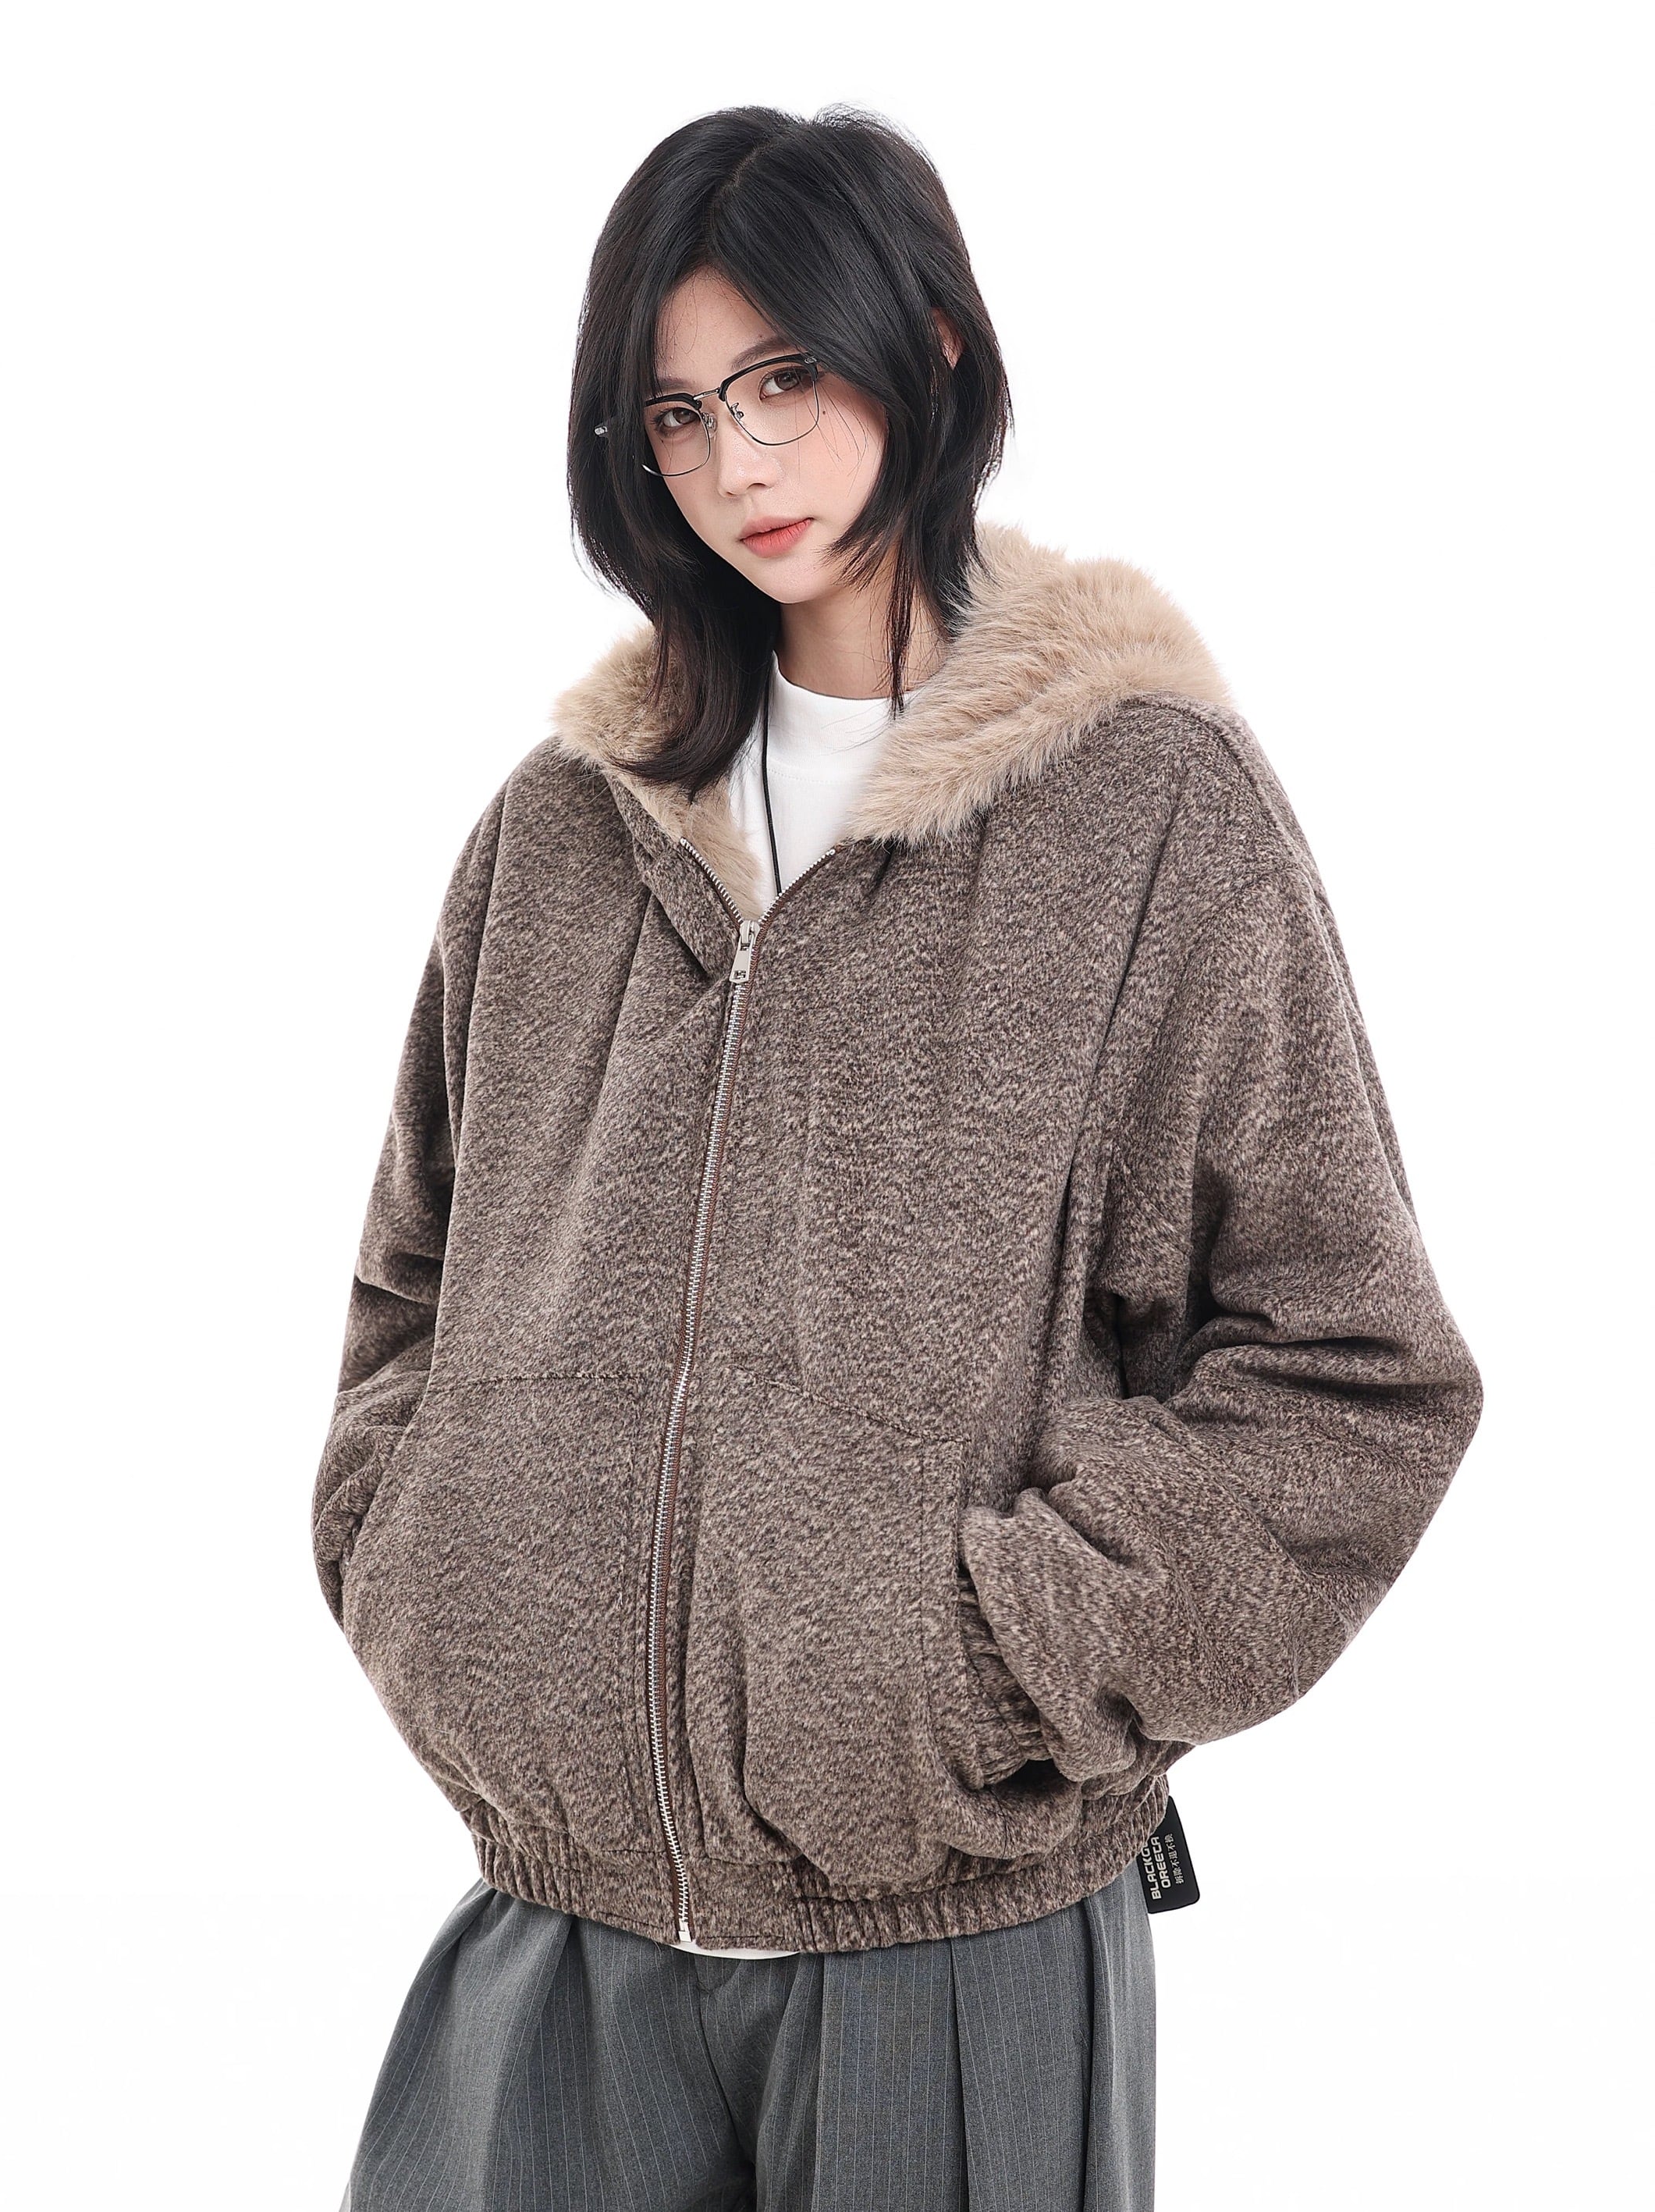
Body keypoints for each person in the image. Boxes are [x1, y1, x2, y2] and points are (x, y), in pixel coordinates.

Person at [314, 103, 1483, 2212]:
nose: (738, 461)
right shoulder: (558, 837)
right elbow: (412, 1292)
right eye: (680, 411)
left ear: (928, 352)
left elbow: (1354, 1376)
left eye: (787, 379)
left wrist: (973, 1664)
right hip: (555, 1936)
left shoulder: (1143, 820)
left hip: (951, 1953)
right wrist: (444, 1583)